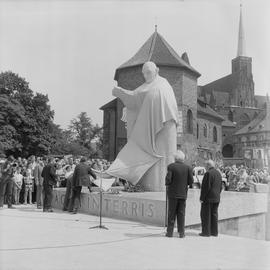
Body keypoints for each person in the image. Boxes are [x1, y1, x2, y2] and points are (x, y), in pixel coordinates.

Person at [106, 61, 178, 191]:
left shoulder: (163, 84)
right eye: (144, 73)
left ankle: (158, 187)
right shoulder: (146, 86)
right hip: (148, 126)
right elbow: (135, 97)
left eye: (148, 72)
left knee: (161, 159)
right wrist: (121, 93)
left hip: (164, 127)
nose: (146, 76)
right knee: (141, 150)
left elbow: (159, 100)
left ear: (157, 70)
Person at [165, 150, 193, 238]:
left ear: (175, 158)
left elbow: (168, 180)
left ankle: (169, 233)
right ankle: (182, 233)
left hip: (173, 194)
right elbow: (191, 181)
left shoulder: (171, 166)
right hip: (183, 194)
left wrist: (167, 183)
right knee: (181, 214)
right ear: (183, 158)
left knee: (171, 213)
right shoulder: (188, 168)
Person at [199, 160, 222, 237]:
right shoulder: (218, 173)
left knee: (206, 215)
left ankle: (206, 232)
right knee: (214, 215)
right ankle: (214, 232)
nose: (205, 167)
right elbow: (220, 187)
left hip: (208, 198)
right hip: (216, 198)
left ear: (208, 165)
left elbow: (206, 188)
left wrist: (202, 198)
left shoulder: (208, 173)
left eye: (206, 166)